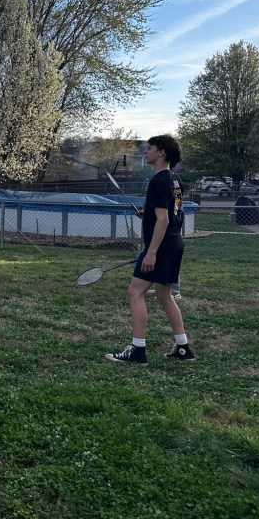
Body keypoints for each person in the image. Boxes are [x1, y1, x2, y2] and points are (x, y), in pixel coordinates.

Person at [106, 134, 194, 364]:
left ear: (161, 152)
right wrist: (148, 214)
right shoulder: (175, 180)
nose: (146, 151)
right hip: (175, 243)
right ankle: (182, 347)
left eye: (150, 148)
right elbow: (171, 211)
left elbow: (163, 219)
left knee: (134, 293)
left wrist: (151, 252)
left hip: (161, 246)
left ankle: (137, 349)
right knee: (164, 295)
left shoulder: (157, 181)